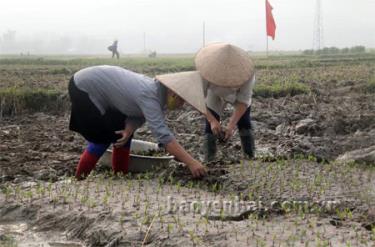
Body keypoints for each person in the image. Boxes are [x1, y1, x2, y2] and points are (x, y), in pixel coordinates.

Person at [68, 65, 207, 179]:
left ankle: (120, 177)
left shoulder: (158, 95)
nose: (181, 105)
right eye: (181, 100)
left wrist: (128, 129)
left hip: (102, 91)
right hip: (84, 86)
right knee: (102, 137)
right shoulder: (150, 94)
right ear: (173, 93)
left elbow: (137, 114)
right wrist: (191, 162)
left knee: (121, 134)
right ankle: (79, 179)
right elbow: (164, 137)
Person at [194, 43, 256, 161]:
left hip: (237, 94)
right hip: (215, 93)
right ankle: (209, 159)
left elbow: (243, 101)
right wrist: (212, 120)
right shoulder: (205, 71)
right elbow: (198, 99)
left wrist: (231, 125)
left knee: (244, 121)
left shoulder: (248, 73)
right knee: (211, 126)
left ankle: (250, 156)